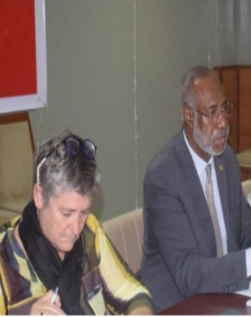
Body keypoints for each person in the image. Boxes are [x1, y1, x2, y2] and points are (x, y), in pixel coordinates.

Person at [141, 66, 251, 312]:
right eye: (212, 113)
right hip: (180, 305)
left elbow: (244, 235)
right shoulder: (163, 177)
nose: (223, 122)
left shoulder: (226, 160)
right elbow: (188, 273)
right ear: (189, 116)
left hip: (226, 295)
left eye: (224, 109)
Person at [0, 132, 153, 315]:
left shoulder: (90, 231)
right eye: (67, 213)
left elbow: (132, 293)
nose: (76, 228)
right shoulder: (4, 260)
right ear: (39, 196)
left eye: (84, 212)